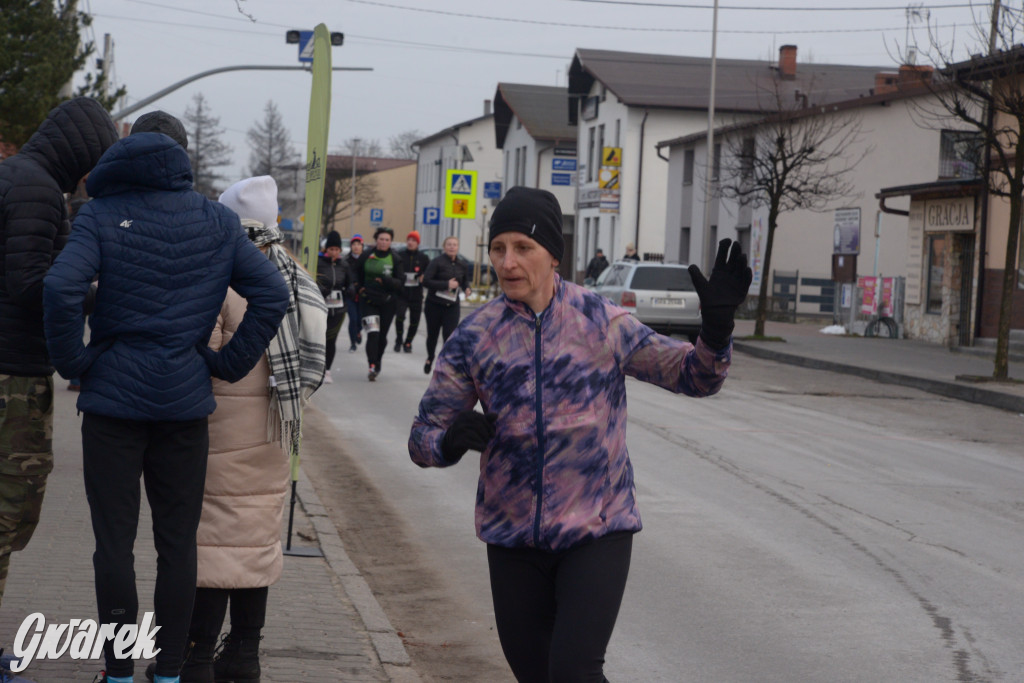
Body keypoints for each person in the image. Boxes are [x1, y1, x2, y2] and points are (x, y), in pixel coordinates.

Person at [408, 186, 751, 682]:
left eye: (523, 248)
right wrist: (449, 440)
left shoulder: (601, 321)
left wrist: (715, 333)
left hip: (596, 529)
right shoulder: (475, 337)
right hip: (512, 538)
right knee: (535, 674)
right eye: (498, 248)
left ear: (553, 255)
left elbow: (694, 376)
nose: (508, 262)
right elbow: (422, 436)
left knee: (572, 671)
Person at [42, 114, 289, 683]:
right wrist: (225, 365)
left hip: (111, 409)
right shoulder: (217, 220)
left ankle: (120, 671)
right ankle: (173, 671)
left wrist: (74, 362)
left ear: (126, 152)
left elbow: (60, 288)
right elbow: (271, 294)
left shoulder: (100, 214)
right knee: (178, 547)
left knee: (114, 547)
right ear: (181, 156)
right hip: (184, 408)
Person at [149, 176, 325, 683]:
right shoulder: (296, 275)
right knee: (255, 543)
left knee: (212, 547)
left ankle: (197, 657)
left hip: (217, 435)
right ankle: (244, 654)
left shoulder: (222, 272)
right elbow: (314, 360)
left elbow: (195, 353)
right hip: (276, 430)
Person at [0, 96, 118, 682]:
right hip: (12, 378)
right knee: (7, 511)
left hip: (13, 368)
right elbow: (30, 285)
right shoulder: (37, 190)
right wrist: (98, 291)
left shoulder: (18, 176)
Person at [352, 227, 404, 381]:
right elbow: (355, 272)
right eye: (381, 239)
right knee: (373, 333)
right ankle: (371, 365)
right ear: (376, 240)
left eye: (387, 240)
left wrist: (386, 280)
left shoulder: (395, 258)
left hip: (388, 302)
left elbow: (400, 282)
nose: (383, 242)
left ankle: (378, 359)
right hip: (369, 301)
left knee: (382, 336)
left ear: (391, 242)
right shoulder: (367, 255)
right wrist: (358, 287)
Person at [421, 236, 471, 375]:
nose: (452, 247)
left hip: (452, 306)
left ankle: (444, 363)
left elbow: (465, 281)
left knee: (450, 336)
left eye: (454, 244)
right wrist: (446, 285)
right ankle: (430, 357)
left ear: (458, 247)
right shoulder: (436, 262)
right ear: (444, 247)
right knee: (433, 335)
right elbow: (426, 281)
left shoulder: (462, 264)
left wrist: (467, 289)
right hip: (434, 305)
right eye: (449, 244)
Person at [317, 230, 351, 383]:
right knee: (320, 339)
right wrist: (323, 291)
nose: (334, 252)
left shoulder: (344, 265)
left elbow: (351, 283)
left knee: (331, 339)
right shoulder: (319, 263)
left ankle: (328, 370)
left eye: (337, 250)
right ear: (326, 249)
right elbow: (313, 281)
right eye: (331, 249)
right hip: (321, 306)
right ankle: (318, 368)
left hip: (339, 309)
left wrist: (350, 290)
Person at [394, 230, 430, 354]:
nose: (411, 242)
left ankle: (408, 342)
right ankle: (399, 340)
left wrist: (423, 276)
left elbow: (429, 273)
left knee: (415, 321)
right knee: (400, 317)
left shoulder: (423, 258)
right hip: (402, 293)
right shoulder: (399, 255)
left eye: (414, 240)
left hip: (416, 294)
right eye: (409, 240)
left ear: (418, 243)